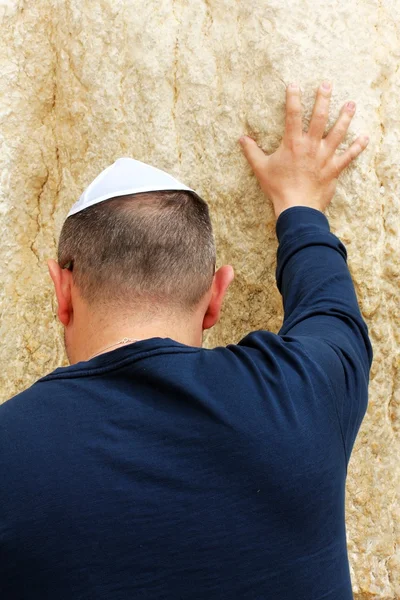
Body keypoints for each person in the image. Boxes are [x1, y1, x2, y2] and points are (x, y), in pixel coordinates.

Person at [0, 81, 373, 600]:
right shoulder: (304, 395)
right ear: (216, 296)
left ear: (61, 290)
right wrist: (300, 205)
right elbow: (331, 311)